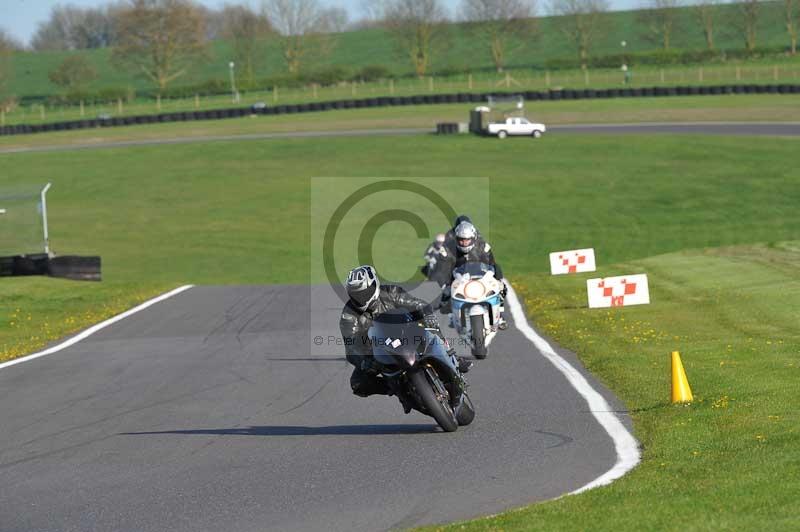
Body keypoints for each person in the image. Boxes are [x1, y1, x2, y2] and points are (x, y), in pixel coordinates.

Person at [339, 265, 472, 402]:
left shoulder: (391, 292)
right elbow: (351, 346)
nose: (360, 297)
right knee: (357, 383)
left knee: (431, 325)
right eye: (356, 294)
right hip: (379, 352)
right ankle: (397, 390)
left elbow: (417, 304)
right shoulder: (348, 315)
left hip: (408, 332)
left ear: (374, 285)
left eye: (364, 292)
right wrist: (364, 361)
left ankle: (452, 355)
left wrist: (427, 314)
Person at [439, 221, 508, 328]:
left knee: (501, 288)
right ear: (456, 239)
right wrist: (445, 284)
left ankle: (500, 315)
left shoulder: (483, 247)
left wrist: (497, 280)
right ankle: (453, 316)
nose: (464, 243)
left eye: (467, 240)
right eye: (461, 240)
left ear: (473, 238)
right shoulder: (449, 250)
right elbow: (443, 270)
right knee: (444, 299)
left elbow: (492, 264)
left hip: (480, 278)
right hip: (458, 279)